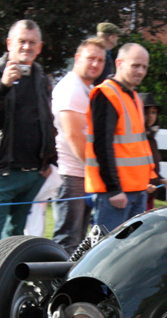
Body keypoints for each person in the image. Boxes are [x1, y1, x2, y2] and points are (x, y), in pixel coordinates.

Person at [0, 20, 57, 283]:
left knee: (15, 237)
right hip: (0, 172)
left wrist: (49, 159)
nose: (26, 47)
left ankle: (2, 294)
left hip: (33, 173)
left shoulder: (40, 75)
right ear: (10, 44)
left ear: (39, 47)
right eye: (21, 41)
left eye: (32, 42)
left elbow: (46, 119)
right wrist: (2, 85)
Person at [86, 43, 157, 231]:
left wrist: (151, 179)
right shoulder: (107, 94)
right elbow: (102, 146)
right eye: (136, 65)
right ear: (119, 63)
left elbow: (138, 145)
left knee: (128, 252)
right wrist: (114, 189)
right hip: (117, 194)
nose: (141, 71)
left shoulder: (133, 96)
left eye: (144, 67)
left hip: (137, 190)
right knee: (107, 253)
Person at [51, 37, 106, 254]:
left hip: (82, 175)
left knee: (81, 240)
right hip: (71, 175)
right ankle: (55, 287)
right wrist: (98, 170)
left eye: (100, 60)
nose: (95, 64)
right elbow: (74, 137)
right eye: (91, 58)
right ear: (77, 58)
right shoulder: (71, 88)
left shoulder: (87, 88)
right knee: (68, 239)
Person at [139, 92, 167, 210]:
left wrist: (161, 180)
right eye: (146, 112)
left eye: (154, 112)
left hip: (149, 195)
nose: (151, 116)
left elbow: (151, 169)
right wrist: (142, 185)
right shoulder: (135, 138)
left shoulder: (152, 139)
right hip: (137, 195)